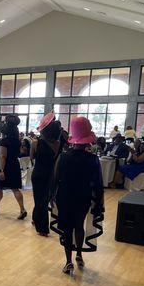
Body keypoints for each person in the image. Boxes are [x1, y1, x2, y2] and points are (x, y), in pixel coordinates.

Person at [53, 116, 104, 275]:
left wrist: (52, 197)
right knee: (79, 225)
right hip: (83, 196)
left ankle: (68, 261)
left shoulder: (63, 157)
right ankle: (80, 255)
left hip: (65, 196)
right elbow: (98, 183)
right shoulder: (93, 159)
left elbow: (55, 179)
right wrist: (98, 202)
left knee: (67, 228)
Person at [0, 116, 26, 219]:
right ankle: (22, 209)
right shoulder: (17, 141)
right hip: (14, 165)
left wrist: (1, 170)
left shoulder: (4, 141)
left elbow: (3, 156)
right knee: (15, 188)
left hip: (5, 166)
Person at [31, 113, 61, 236]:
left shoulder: (36, 142)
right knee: (44, 198)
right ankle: (35, 218)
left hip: (38, 172)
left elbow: (32, 157)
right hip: (50, 173)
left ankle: (42, 228)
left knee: (39, 199)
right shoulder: (57, 144)